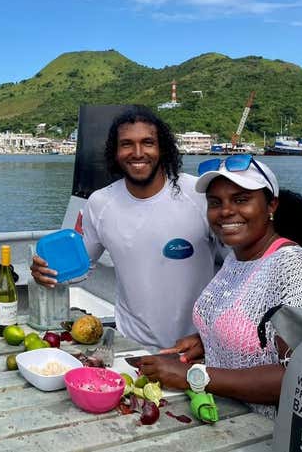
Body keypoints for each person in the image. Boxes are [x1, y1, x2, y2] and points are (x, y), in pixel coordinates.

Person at [138, 155, 302, 418]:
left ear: (271, 205)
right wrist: (210, 340)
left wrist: (194, 376)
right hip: (226, 416)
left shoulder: (295, 268)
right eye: (215, 203)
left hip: (270, 433)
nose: (226, 211)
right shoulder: (236, 257)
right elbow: (254, 332)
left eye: (241, 199)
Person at [31, 106, 218, 349]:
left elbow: (238, 269)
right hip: (132, 346)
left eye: (148, 142)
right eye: (127, 144)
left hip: (198, 347)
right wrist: (46, 272)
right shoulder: (100, 203)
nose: (138, 152)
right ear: (115, 151)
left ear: (162, 148)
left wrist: (210, 338)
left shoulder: (199, 195)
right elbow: (79, 268)